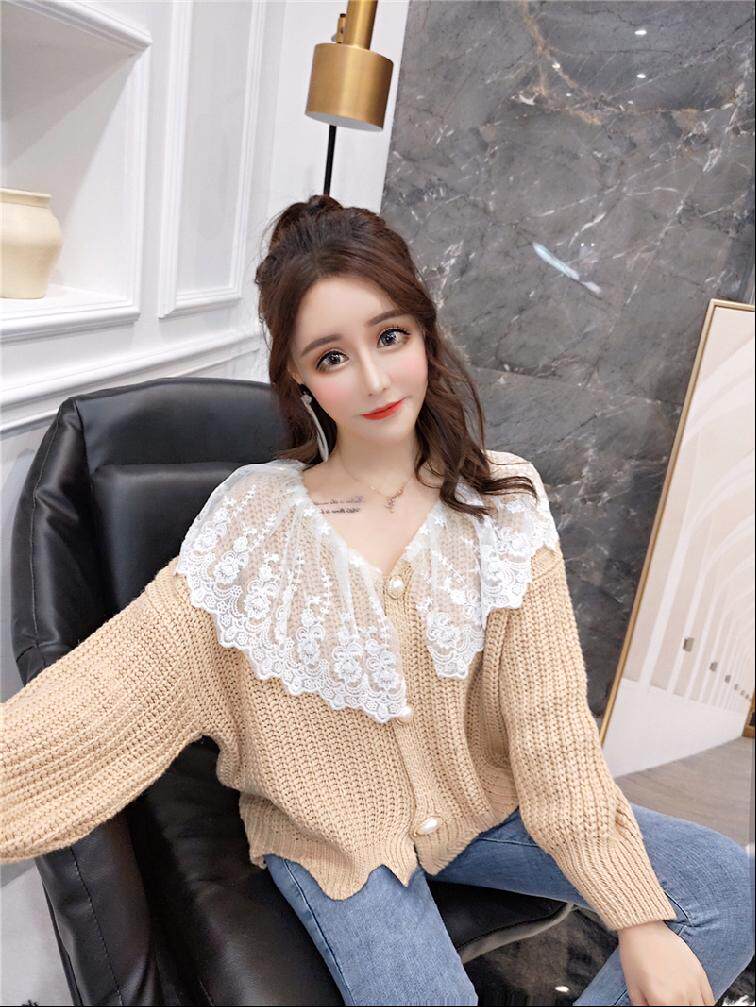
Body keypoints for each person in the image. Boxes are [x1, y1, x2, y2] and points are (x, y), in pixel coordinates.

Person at [1, 195, 752, 1007]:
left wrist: (637, 918)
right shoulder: (253, 525)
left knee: (726, 886)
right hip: (335, 837)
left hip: (481, 808)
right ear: (297, 374)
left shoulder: (503, 502)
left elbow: (553, 734)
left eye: (389, 336)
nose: (373, 379)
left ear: (424, 330)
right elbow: (109, 694)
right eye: (332, 356)